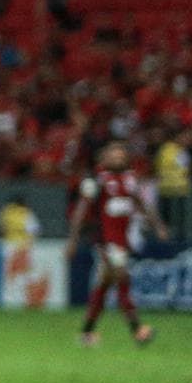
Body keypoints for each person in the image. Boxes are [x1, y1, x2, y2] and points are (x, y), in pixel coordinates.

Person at [66, 142, 168, 347]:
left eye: (121, 154)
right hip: (105, 240)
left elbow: (142, 204)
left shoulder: (130, 179)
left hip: (122, 241)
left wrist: (158, 226)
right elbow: (80, 211)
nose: (118, 157)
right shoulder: (96, 180)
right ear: (104, 158)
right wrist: (73, 240)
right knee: (122, 277)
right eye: (113, 154)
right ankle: (138, 329)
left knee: (104, 285)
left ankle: (87, 333)